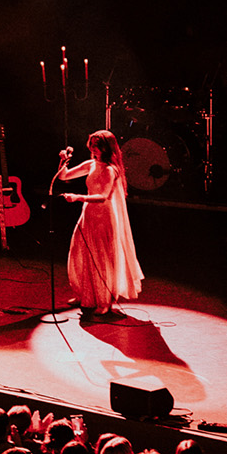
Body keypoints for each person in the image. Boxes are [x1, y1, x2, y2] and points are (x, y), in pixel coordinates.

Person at [54, 130, 144, 317]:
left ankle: (104, 302)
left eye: (97, 145)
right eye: (92, 144)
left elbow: (103, 196)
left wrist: (78, 197)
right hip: (88, 215)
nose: (93, 148)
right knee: (80, 252)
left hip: (103, 217)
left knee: (102, 258)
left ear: (106, 147)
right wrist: (64, 161)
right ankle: (84, 293)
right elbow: (64, 176)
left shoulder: (111, 170)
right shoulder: (91, 164)